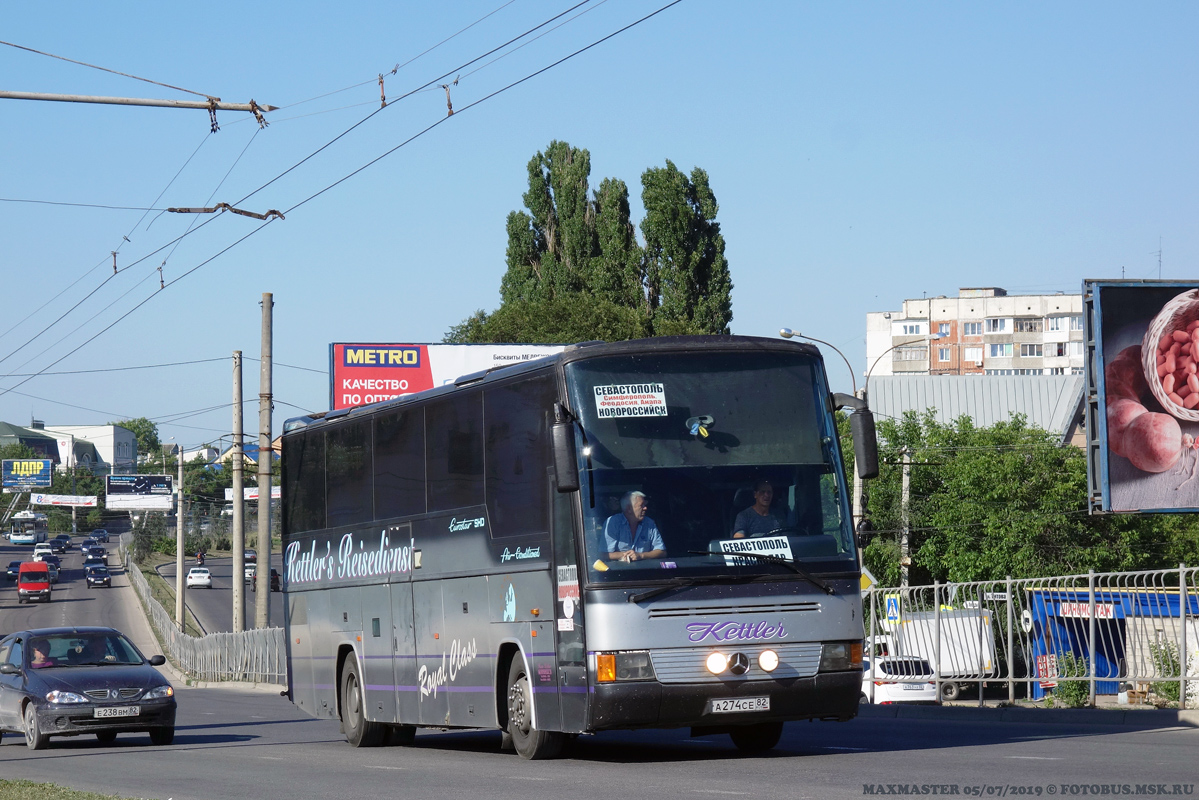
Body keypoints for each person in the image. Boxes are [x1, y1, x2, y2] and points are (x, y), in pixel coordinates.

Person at [604, 491, 666, 562]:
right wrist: (627, 555)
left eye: (645, 505)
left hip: (646, 570)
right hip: (619, 571)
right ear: (629, 509)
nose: (645, 508)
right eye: (641, 505)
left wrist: (641, 555)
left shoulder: (649, 523)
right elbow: (604, 554)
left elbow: (662, 552)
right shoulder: (613, 522)